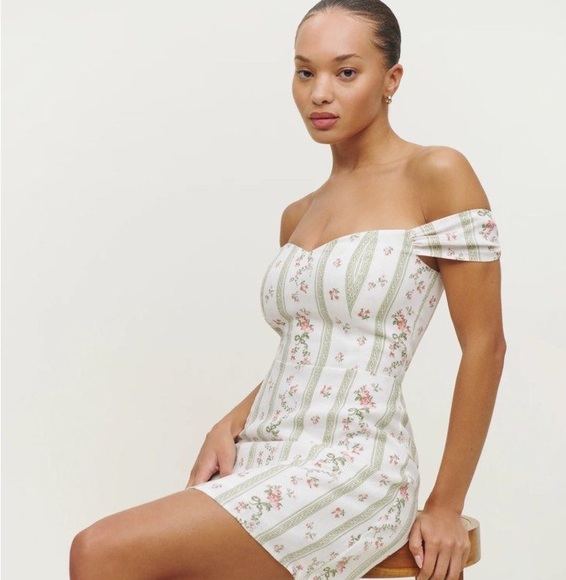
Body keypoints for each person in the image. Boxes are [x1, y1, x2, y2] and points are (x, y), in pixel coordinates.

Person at [69, 1, 506, 579]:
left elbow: (485, 346)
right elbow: (308, 350)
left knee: (99, 550)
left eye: (346, 72)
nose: (320, 93)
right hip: (266, 449)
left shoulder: (437, 174)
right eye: (305, 72)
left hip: (352, 466)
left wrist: (446, 502)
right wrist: (232, 420)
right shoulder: (299, 215)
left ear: (391, 79)